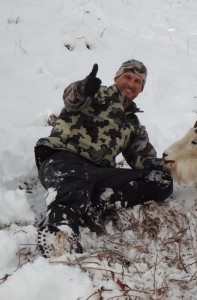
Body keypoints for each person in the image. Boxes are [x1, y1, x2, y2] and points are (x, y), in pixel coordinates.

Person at [34, 59, 173, 258]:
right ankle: (61, 233)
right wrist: (82, 88)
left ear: (141, 89)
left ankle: (98, 203)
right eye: (128, 77)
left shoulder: (133, 124)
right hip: (64, 160)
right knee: (75, 181)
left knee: (161, 181)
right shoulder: (95, 94)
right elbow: (72, 98)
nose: (131, 84)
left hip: (99, 174)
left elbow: (145, 161)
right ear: (117, 77)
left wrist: (175, 164)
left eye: (138, 81)